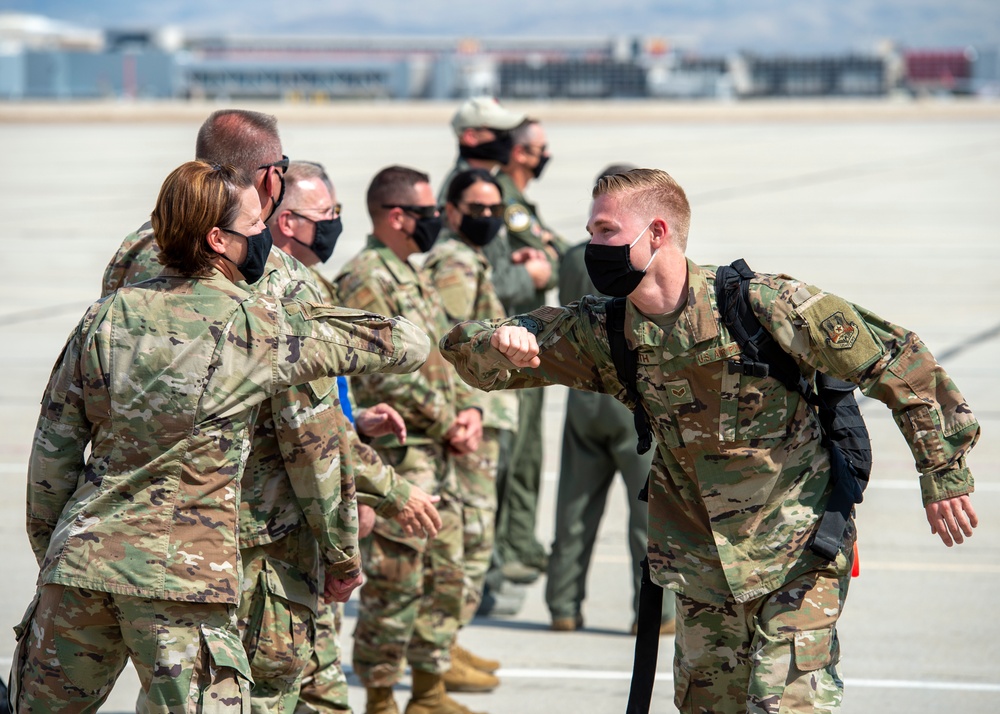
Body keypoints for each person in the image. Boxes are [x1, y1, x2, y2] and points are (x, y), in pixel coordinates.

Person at [439, 167, 981, 713]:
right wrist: (501, 342)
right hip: (699, 569)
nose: (592, 245)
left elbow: (901, 361)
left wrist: (943, 474)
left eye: (605, 230)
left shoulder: (761, 305)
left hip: (794, 553)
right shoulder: (607, 332)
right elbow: (468, 353)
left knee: (784, 706)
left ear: (657, 232)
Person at [12, 161, 430, 712]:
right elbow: (408, 344)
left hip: (79, 566)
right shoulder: (254, 325)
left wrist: (57, 554)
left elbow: (52, 461)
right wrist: (308, 313)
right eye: (256, 226)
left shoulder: (103, 318)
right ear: (218, 239)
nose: (265, 235)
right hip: (181, 582)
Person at [334, 166, 486, 714]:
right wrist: (445, 420)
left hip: (436, 449)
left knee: (444, 574)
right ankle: (380, 698)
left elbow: (440, 358)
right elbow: (376, 373)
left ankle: (428, 690)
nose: (435, 222)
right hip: (403, 454)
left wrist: (466, 408)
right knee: (396, 582)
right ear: (397, 216)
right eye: (425, 213)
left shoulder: (409, 271)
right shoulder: (367, 277)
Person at [546, 164, 675, 635]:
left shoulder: (570, 258)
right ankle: (654, 614)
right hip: (631, 397)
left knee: (573, 509)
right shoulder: (638, 252)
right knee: (647, 513)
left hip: (583, 396)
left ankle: (562, 606)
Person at [423, 169, 518, 692]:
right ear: (452, 210)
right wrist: (470, 410)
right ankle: (437, 653)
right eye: (478, 208)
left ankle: (447, 643)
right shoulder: (454, 261)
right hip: (469, 420)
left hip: (481, 416)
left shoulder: (469, 256)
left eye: (495, 208)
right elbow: (451, 342)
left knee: (475, 539)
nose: (489, 218)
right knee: (468, 541)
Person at [489, 117, 566, 586]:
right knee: (514, 451)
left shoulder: (520, 204)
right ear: (520, 152)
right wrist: (543, 262)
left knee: (529, 451)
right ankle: (508, 546)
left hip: (528, 335)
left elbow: (548, 255)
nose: (545, 155)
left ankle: (521, 542)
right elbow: (534, 262)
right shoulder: (504, 200)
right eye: (539, 147)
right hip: (510, 339)